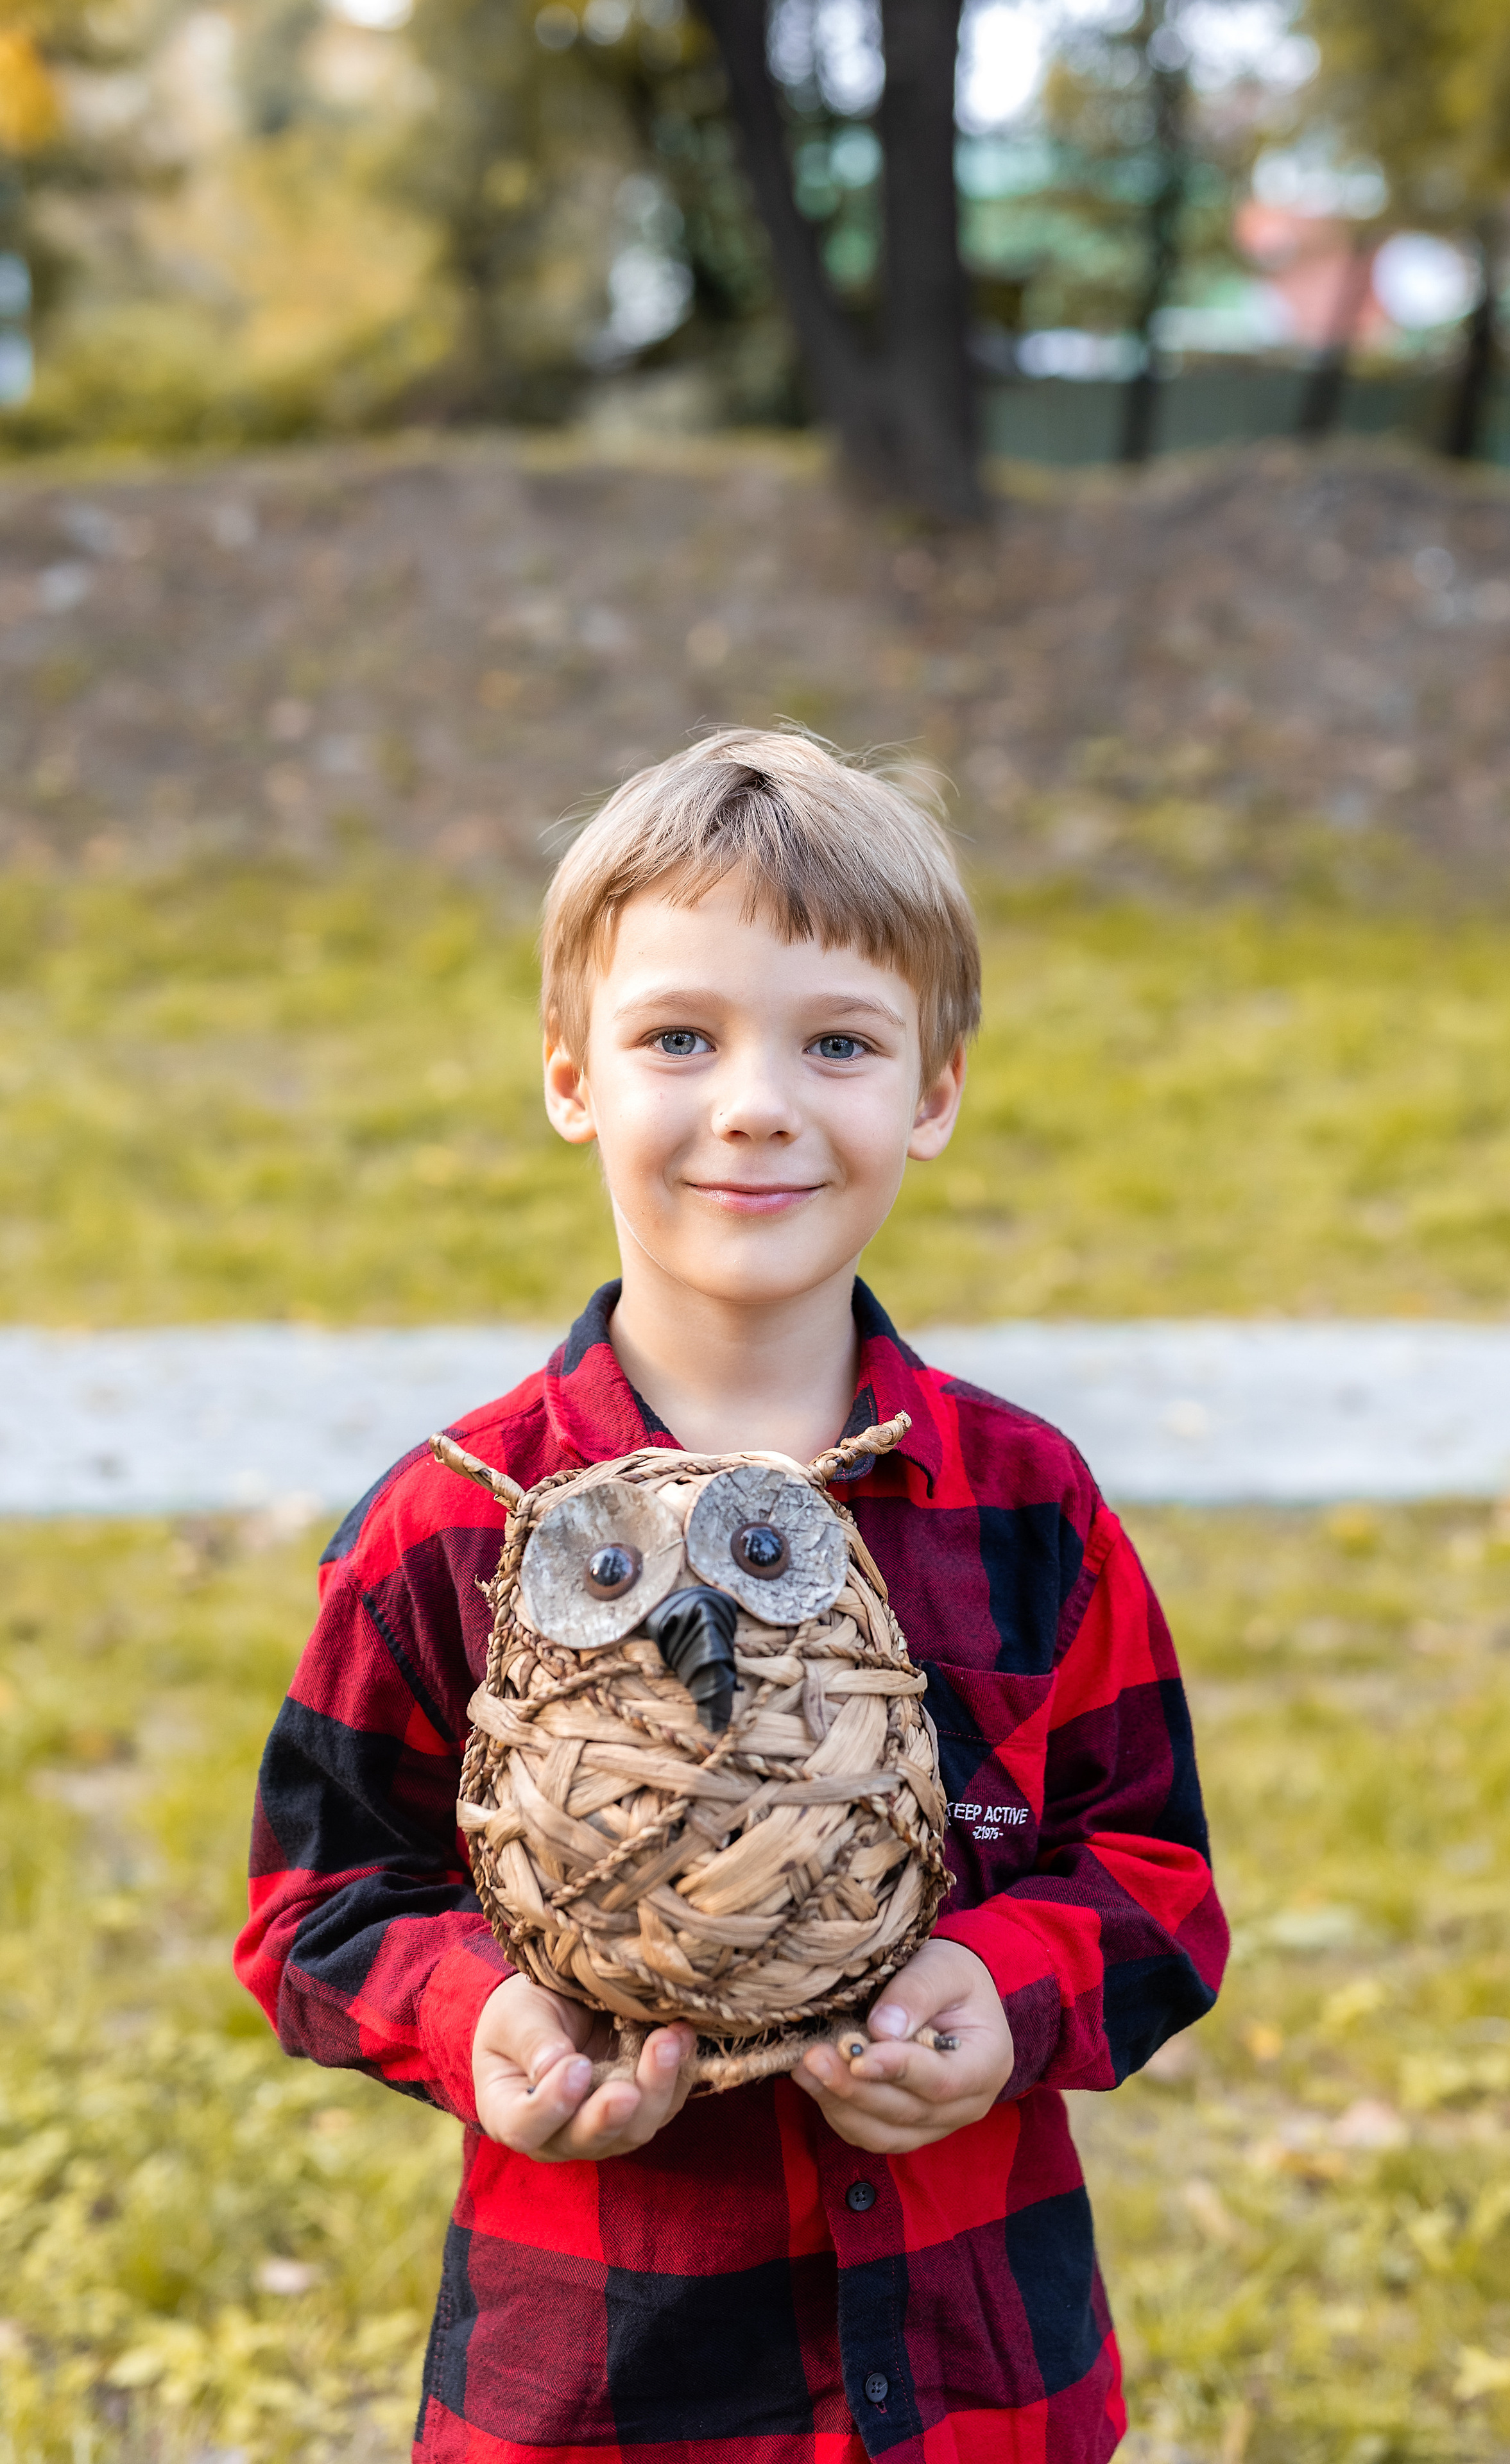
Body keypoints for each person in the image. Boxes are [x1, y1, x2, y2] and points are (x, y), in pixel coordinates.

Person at [235, 728, 1229, 2464]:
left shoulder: (1025, 1509)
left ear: (933, 1092)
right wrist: (489, 2024)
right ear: (571, 1077)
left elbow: (1154, 1875)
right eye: (680, 1038)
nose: (757, 1102)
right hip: (604, 2393)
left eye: (837, 1043)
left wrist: (1002, 2000)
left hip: (981, 2377)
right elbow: (317, 1906)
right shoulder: (450, 1530)